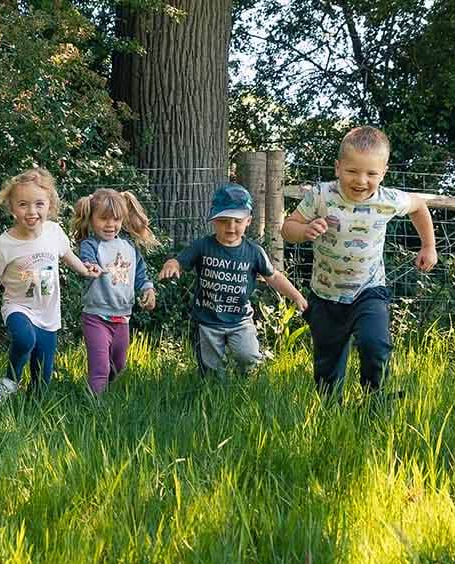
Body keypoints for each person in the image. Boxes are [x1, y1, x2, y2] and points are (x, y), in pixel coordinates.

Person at [281, 126, 438, 395]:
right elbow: (287, 228)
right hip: (326, 294)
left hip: (369, 291)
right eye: (352, 171)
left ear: (383, 173)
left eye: (371, 174)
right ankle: (330, 409)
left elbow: (419, 206)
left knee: (374, 344)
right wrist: (304, 231)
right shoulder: (321, 195)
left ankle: (374, 399)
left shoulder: (387, 199)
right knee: (327, 367)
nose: (361, 180)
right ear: (338, 167)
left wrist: (428, 246)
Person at [0, 167, 102, 402]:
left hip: (48, 314)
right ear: (12, 207)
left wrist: (86, 269)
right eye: (23, 204)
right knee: (25, 339)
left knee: (41, 382)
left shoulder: (54, 232)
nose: (32, 211)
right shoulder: (4, 244)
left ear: (49, 205)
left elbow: (67, 255)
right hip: (18, 307)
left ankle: (31, 410)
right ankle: (9, 381)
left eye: (39, 204)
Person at [158, 183, 307, 376]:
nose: (230, 227)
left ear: (248, 221)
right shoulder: (203, 246)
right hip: (207, 321)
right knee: (211, 370)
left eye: (237, 221)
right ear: (213, 220)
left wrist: (296, 296)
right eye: (224, 221)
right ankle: (213, 395)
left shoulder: (254, 252)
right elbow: (179, 261)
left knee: (248, 356)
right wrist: (171, 265)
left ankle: (242, 384)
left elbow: (274, 276)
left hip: (240, 320)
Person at [69, 188, 160, 395]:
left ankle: (106, 393)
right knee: (100, 366)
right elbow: (86, 261)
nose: (110, 225)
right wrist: (89, 267)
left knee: (118, 365)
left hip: (122, 318)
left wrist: (148, 290)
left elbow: (141, 275)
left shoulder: (128, 247)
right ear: (91, 219)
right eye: (103, 219)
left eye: (116, 219)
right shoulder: (90, 244)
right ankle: (95, 405)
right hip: (96, 316)